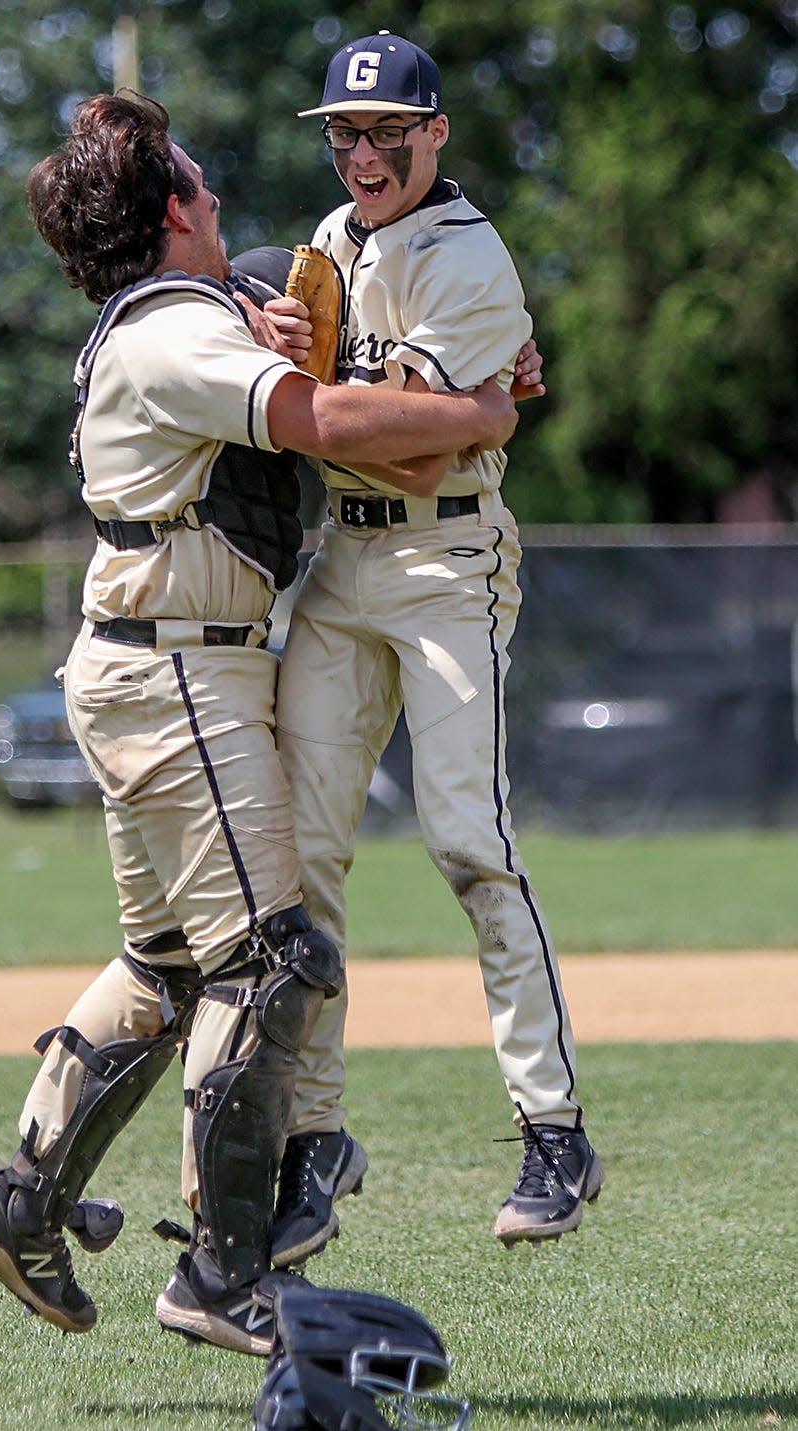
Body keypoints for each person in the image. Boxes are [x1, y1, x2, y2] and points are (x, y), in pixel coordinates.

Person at [0, 92, 520, 1356]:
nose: (219, 200)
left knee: (168, 967)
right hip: (179, 677)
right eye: (198, 186)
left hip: (140, 668)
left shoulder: (172, 327)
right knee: (273, 962)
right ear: (171, 215)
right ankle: (223, 1274)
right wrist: (480, 414)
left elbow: (304, 382)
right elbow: (326, 424)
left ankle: (22, 1200)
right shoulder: (170, 333)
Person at [270, 32, 605, 1268]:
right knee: (298, 861)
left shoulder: (468, 257)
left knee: (469, 836)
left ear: (435, 133)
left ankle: (554, 1129)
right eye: (345, 133)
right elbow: (370, 419)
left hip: (446, 560)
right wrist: (318, 393)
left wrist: (285, 398)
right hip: (341, 566)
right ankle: (315, 1140)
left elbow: (414, 455)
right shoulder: (332, 234)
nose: (363, 152)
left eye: (386, 132)